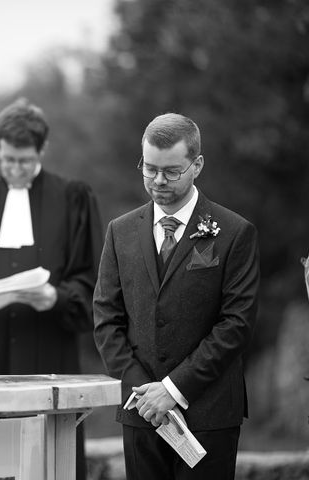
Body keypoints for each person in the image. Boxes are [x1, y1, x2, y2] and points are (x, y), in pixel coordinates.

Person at [93, 113, 259, 480]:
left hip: (209, 413)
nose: (158, 181)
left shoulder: (234, 233)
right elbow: (106, 319)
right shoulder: (119, 232)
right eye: (149, 169)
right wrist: (143, 392)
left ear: (197, 165)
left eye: (172, 171)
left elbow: (236, 325)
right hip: (141, 412)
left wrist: (173, 389)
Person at [0, 98, 103, 480]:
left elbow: (92, 280)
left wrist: (57, 297)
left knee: (50, 462)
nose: (16, 169)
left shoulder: (73, 199)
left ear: (42, 150)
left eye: (25, 161)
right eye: (9, 160)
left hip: (51, 358)